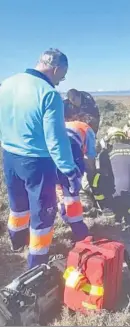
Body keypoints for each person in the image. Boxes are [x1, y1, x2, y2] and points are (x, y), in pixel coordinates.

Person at [0, 48, 81, 269]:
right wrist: (69, 170)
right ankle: (36, 263)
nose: (61, 80)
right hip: (37, 161)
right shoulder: (49, 93)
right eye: (62, 76)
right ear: (56, 69)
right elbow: (56, 139)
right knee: (43, 214)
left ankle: (17, 242)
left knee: (18, 206)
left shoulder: (7, 83)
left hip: (9, 156)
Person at [56, 107, 98, 242]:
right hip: (71, 149)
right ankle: (79, 232)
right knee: (72, 191)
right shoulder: (87, 129)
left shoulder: (67, 124)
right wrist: (92, 175)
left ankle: (63, 214)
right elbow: (90, 157)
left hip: (52, 149)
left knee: (59, 185)